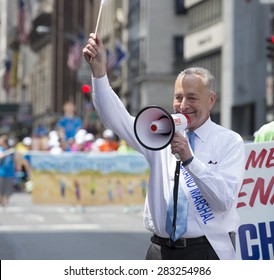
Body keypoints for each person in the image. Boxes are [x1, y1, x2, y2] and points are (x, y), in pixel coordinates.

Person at [83, 33, 245, 260]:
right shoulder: (160, 131)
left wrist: (189, 160)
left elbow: (223, 199)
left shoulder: (229, 142)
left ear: (211, 100)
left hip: (205, 250)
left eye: (192, 98)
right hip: (159, 250)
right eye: (178, 97)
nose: (184, 105)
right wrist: (99, 74)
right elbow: (116, 119)